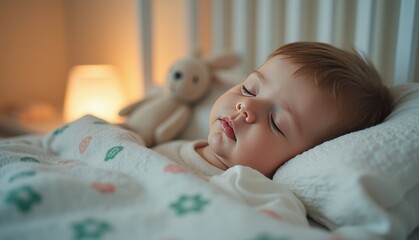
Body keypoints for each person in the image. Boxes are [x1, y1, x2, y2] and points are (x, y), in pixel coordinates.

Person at [154, 42, 393, 179]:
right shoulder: (165, 145)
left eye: (276, 122)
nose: (246, 105)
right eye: (249, 89)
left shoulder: (252, 194)